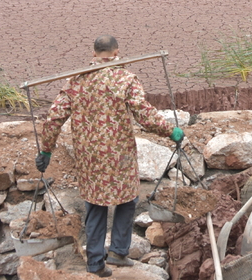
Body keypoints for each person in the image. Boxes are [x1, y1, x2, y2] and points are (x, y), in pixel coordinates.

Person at [35, 35, 185, 277]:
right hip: (120, 155)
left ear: (93, 54)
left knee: (95, 206)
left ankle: (95, 262)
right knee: (127, 201)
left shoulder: (76, 81)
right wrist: (171, 131)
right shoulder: (126, 79)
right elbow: (144, 114)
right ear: (118, 53)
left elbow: (53, 118)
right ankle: (118, 251)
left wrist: (46, 150)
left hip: (89, 158)